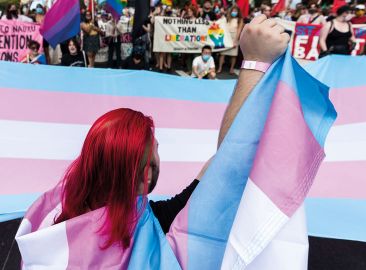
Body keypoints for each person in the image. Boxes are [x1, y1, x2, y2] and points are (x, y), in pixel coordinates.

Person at [16, 14, 289, 268]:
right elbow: (227, 164)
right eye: (156, 152)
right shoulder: (151, 230)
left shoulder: (51, 214)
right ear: (145, 176)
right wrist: (254, 62)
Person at [217, 5, 244, 74]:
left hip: (234, 38)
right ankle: (220, 68)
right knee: (222, 54)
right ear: (231, 11)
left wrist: (235, 41)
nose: (234, 12)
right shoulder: (227, 18)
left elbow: (239, 30)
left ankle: (231, 69)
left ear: (238, 12)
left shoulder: (240, 20)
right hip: (226, 38)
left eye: (236, 11)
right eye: (233, 11)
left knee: (233, 55)